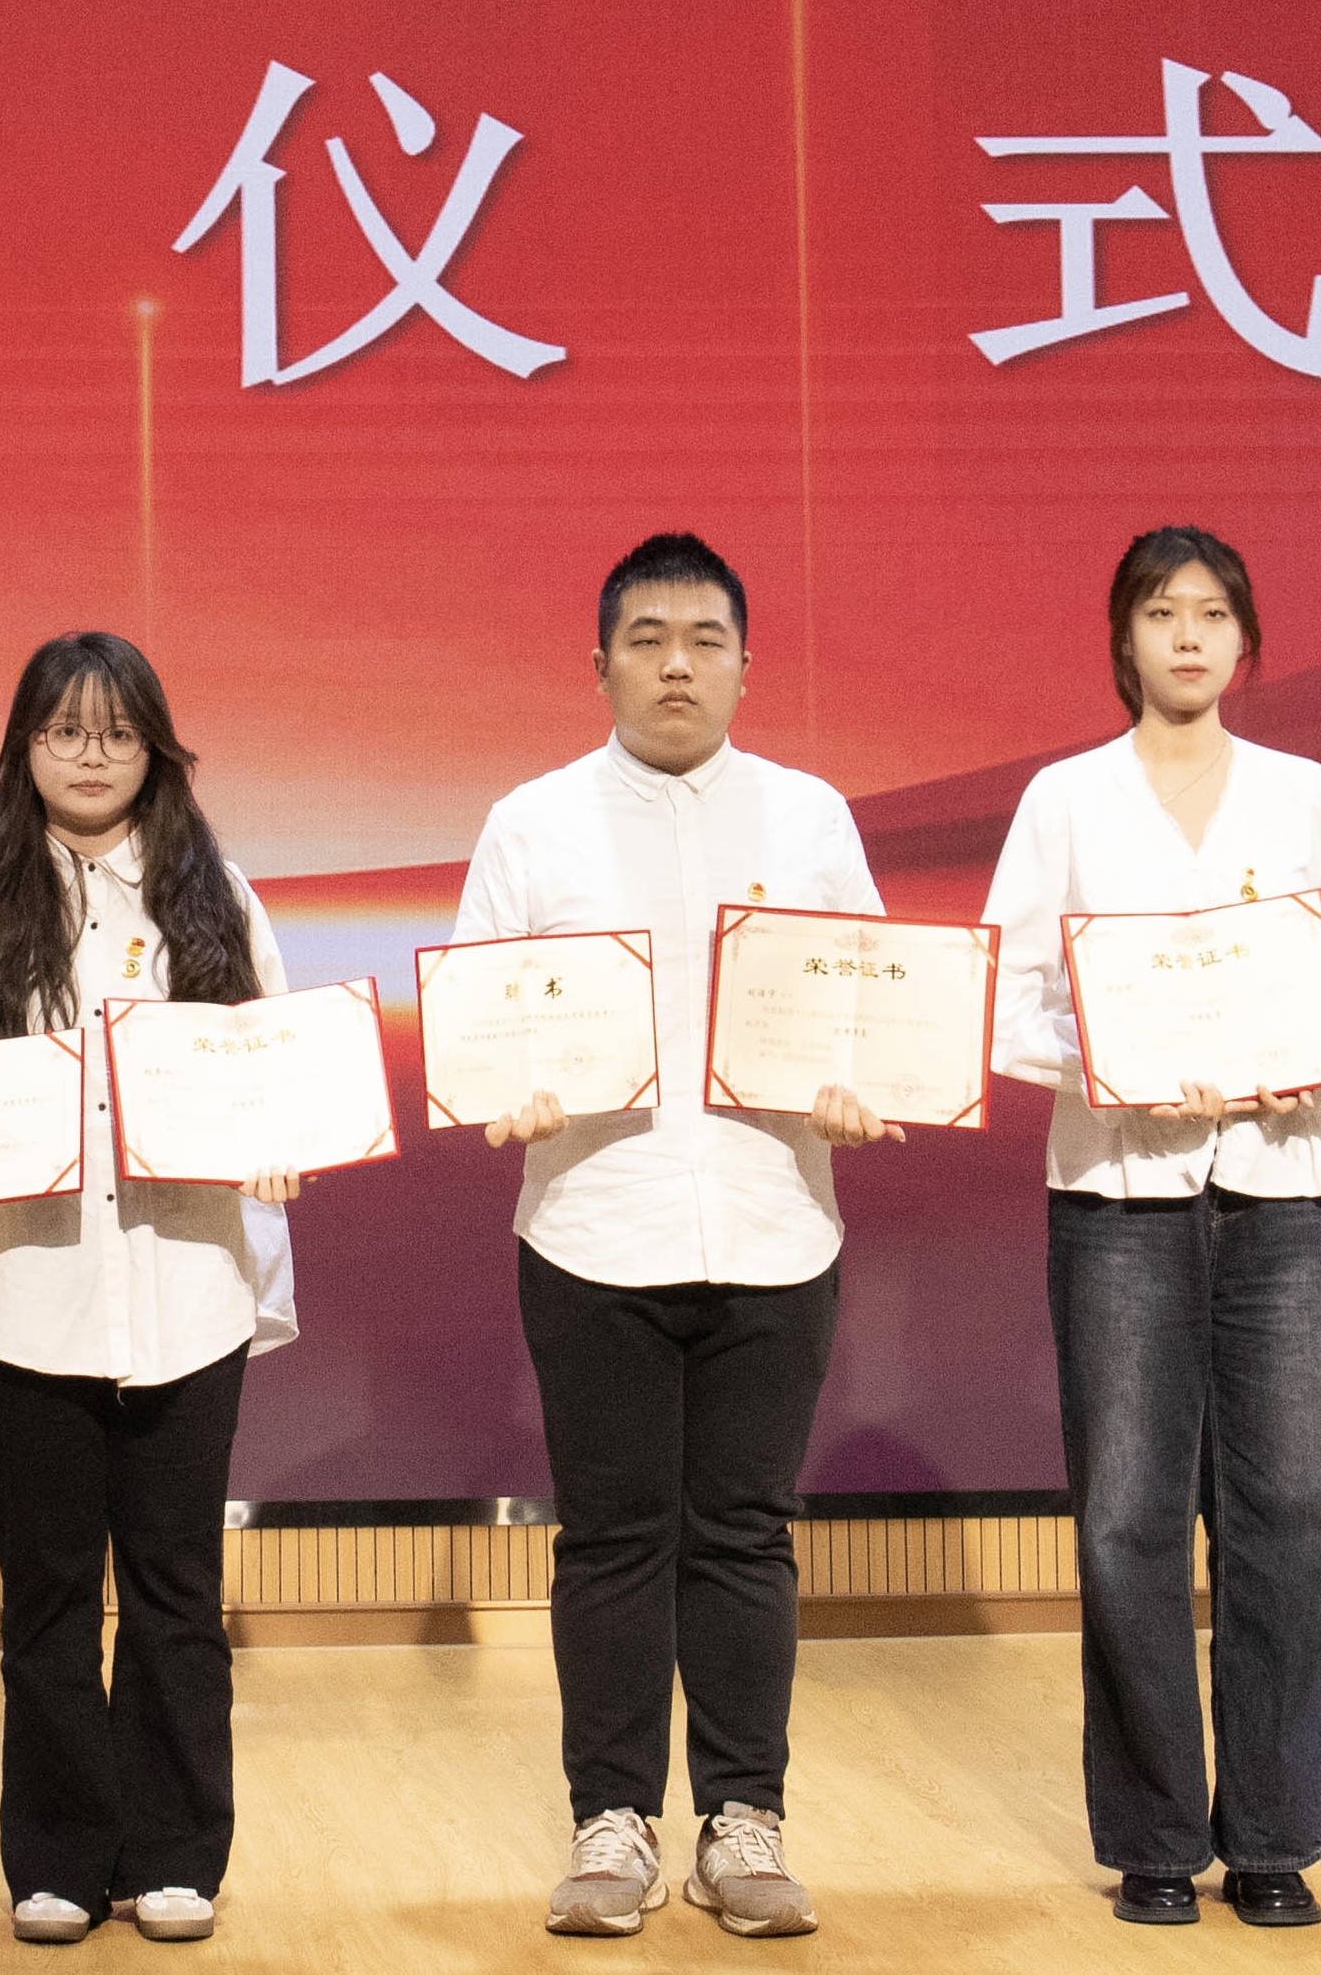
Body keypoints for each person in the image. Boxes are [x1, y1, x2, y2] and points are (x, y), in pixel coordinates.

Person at [457, 531, 901, 1942]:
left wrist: (861, 1082)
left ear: (745, 665)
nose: (675, 665)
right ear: (597, 664)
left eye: (704, 640)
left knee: (745, 1533)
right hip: (594, 1220)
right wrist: (505, 1084)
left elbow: (873, 1003)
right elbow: (481, 1015)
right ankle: (612, 1822)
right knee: (609, 1535)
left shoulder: (809, 816)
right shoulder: (531, 822)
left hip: (774, 1219)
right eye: (645, 639)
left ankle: (742, 1822)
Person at [984, 526, 1321, 1934]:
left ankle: (1273, 1836)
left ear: (1245, 640)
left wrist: (1311, 1056)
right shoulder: (1064, 798)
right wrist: (1112, 1062)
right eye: (1161, 612)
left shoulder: (1301, 793)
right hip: (1120, 1192)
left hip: (1284, 1183)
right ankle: (1155, 1835)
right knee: (1126, 1516)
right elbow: (1009, 993)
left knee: (1291, 1512)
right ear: (1122, 638)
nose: (1186, 635)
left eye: (1212, 613)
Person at [0, 631, 304, 1947]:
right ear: (24, 747)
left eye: (116, 731)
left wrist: (281, 1140)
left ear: (154, 749)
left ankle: (176, 1850)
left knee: (178, 1588)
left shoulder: (215, 899)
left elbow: (278, 1070)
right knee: (49, 1593)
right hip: (29, 1295)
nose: (89, 754)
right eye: (63, 730)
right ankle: (60, 1856)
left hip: (188, 1292)